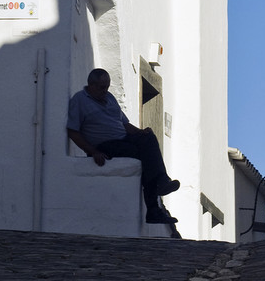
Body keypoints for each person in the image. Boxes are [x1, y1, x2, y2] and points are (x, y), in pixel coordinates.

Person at [67, 68, 180, 225]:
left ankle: (161, 182)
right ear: (91, 85)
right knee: (143, 156)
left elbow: (124, 124)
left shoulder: (110, 98)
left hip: (123, 138)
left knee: (149, 139)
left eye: (107, 87)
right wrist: (92, 152)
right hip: (105, 145)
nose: (104, 91)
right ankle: (154, 207)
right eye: (101, 87)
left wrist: (141, 133)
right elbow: (73, 131)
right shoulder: (80, 100)